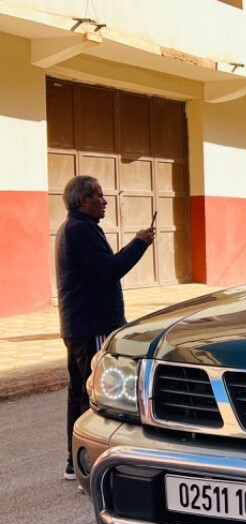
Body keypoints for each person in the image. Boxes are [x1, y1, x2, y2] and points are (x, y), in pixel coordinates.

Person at [56, 176, 155, 479]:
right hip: (93, 324)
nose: (105, 201)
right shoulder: (79, 231)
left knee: (80, 393)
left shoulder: (77, 229)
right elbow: (110, 270)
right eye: (99, 196)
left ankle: (76, 463)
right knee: (99, 394)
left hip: (80, 324)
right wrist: (139, 243)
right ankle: (91, 463)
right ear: (82, 200)